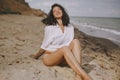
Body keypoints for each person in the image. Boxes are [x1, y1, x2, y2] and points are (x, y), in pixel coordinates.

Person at [30, 3, 93, 80]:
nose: (57, 11)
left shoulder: (70, 27)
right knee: (64, 48)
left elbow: (70, 43)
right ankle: (86, 77)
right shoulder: (50, 27)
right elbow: (44, 46)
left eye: (59, 9)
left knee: (76, 41)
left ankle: (78, 76)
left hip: (63, 58)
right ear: (53, 14)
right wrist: (35, 56)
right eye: (54, 11)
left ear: (63, 11)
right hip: (50, 58)